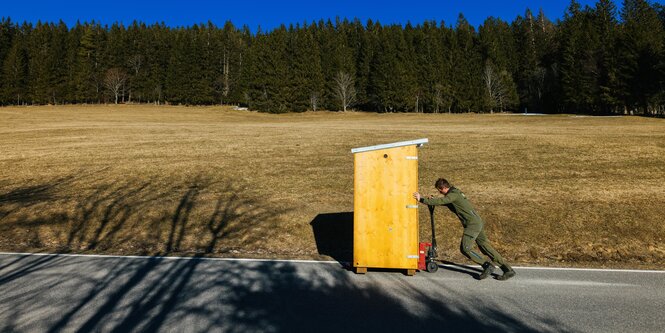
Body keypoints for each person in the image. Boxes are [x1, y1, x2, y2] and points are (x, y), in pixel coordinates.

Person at [413, 178, 516, 281]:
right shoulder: (454, 193)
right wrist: (431, 200)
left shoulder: (453, 194)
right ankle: (508, 270)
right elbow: (445, 202)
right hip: (476, 222)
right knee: (486, 248)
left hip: (472, 224)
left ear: (444, 187)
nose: (439, 192)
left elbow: (443, 200)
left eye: (439, 190)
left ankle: (487, 265)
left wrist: (421, 199)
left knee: (465, 248)